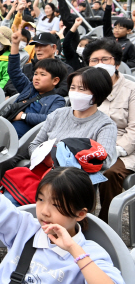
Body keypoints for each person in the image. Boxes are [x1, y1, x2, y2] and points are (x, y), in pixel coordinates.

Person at [0, 129, 124, 284]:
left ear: (80, 214)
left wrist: (73, 249)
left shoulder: (91, 253)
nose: (44, 211)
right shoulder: (25, 227)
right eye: (40, 199)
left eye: (56, 204)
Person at [75, 39, 135, 222]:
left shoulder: (131, 90)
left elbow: (134, 129)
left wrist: (110, 151)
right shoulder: (83, 89)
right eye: (94, 60)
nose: (99, 64)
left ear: (116, 63)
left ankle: (107, 224)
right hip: (89, 147)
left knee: (109, 173)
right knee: (69, 171)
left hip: (124, 150)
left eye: (105, 59)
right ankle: (77, 220)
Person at [27, 67, 117, 169]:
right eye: (73, 88)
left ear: (97, 93)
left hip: (73, 179)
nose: (75, 93)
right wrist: (45, 158)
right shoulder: (58, 114)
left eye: (82, 89)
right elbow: (34, 144)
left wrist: (61, 160)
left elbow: (104, 161)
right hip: (43, 168)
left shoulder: (105, 125)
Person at [6, 29, 67, 138]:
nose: (37, 78)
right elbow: (14, 71)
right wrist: (15, 44)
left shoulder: (57, 99)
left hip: (23, 140)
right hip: (5, 131)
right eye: (35, 74)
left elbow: (50, 119)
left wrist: (24, 116)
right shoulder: (28, 87)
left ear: (55, 80)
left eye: (42, 75)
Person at [103, 0, 135, 68]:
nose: (116, 30)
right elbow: (106, 20)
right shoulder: (109, 37)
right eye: (115, 27)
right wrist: (109, 0)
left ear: (128, 31)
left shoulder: (129, 45)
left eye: (120, 28)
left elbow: (133, 61)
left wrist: (120, 66)